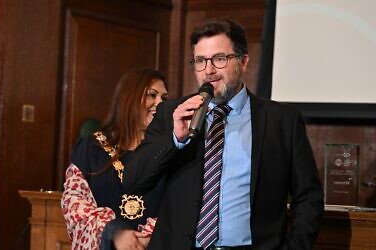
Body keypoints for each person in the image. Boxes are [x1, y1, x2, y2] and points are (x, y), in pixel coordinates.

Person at [123, 18, 324, 250]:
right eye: (200, 61)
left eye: (219, 59)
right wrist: (174, 139)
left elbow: (309, 197)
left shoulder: (282, 120)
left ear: (243, 62)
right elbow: (133, 182)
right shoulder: (172, 113)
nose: (208, 71)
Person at [61, 67, 168, 250]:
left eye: (164, 98)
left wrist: (146, 238)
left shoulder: (170, 150)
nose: (160, 103)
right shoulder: (91, 147)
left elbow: (179, 205)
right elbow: (74, 204)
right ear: (129, 98)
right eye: (152, 95)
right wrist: (115, 233)